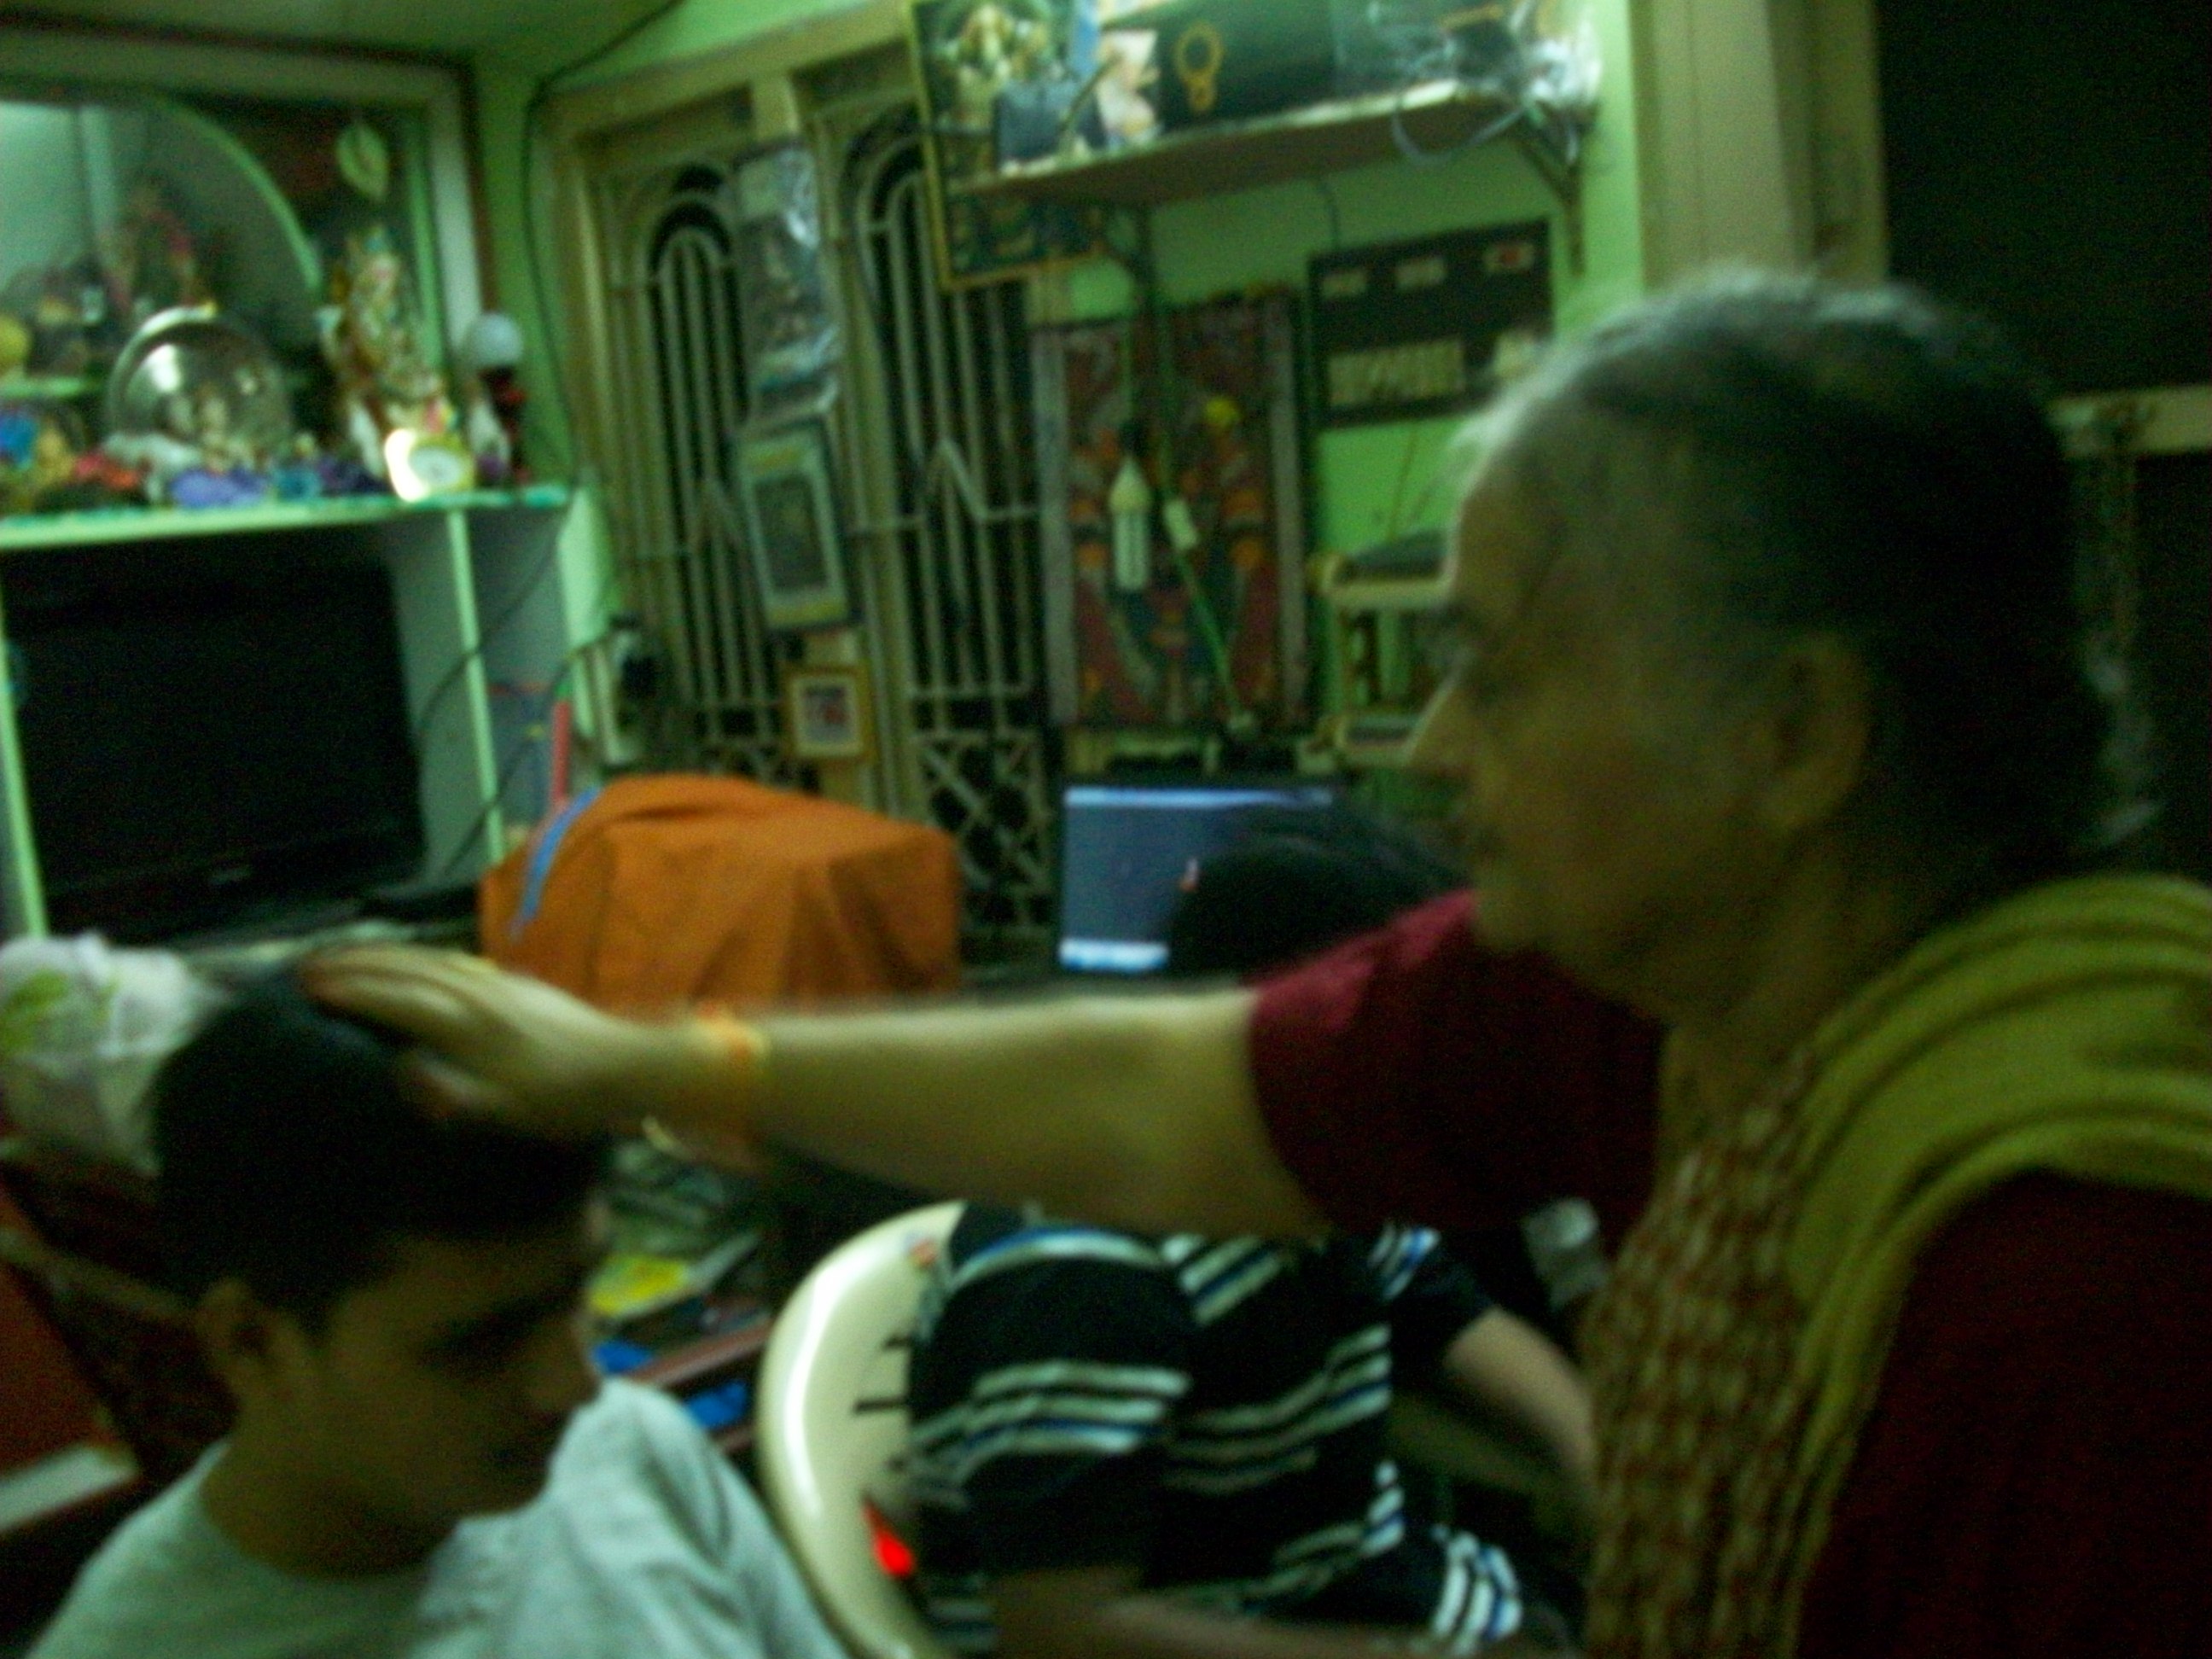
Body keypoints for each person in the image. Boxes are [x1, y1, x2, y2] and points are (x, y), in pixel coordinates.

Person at [310, 275, 2212, 1659]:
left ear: (1795, 735)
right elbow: (1174, 1092)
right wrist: (642, 1062)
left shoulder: (2078, 1311)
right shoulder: (1649, 983)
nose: (1432, 748)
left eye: (1498, 671)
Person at [907, 812, 1592, 1659]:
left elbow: (1456, 1323)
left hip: (1366, 1593)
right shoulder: (1088, 1275)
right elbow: (1060, 1634)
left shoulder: (1318, 1177)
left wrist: (1591, 1458)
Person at [30, 977, 847, 1659]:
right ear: (253, 1343)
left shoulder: (638, 1452)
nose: (578, 1386)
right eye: (480, 1343)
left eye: (577, 1293)